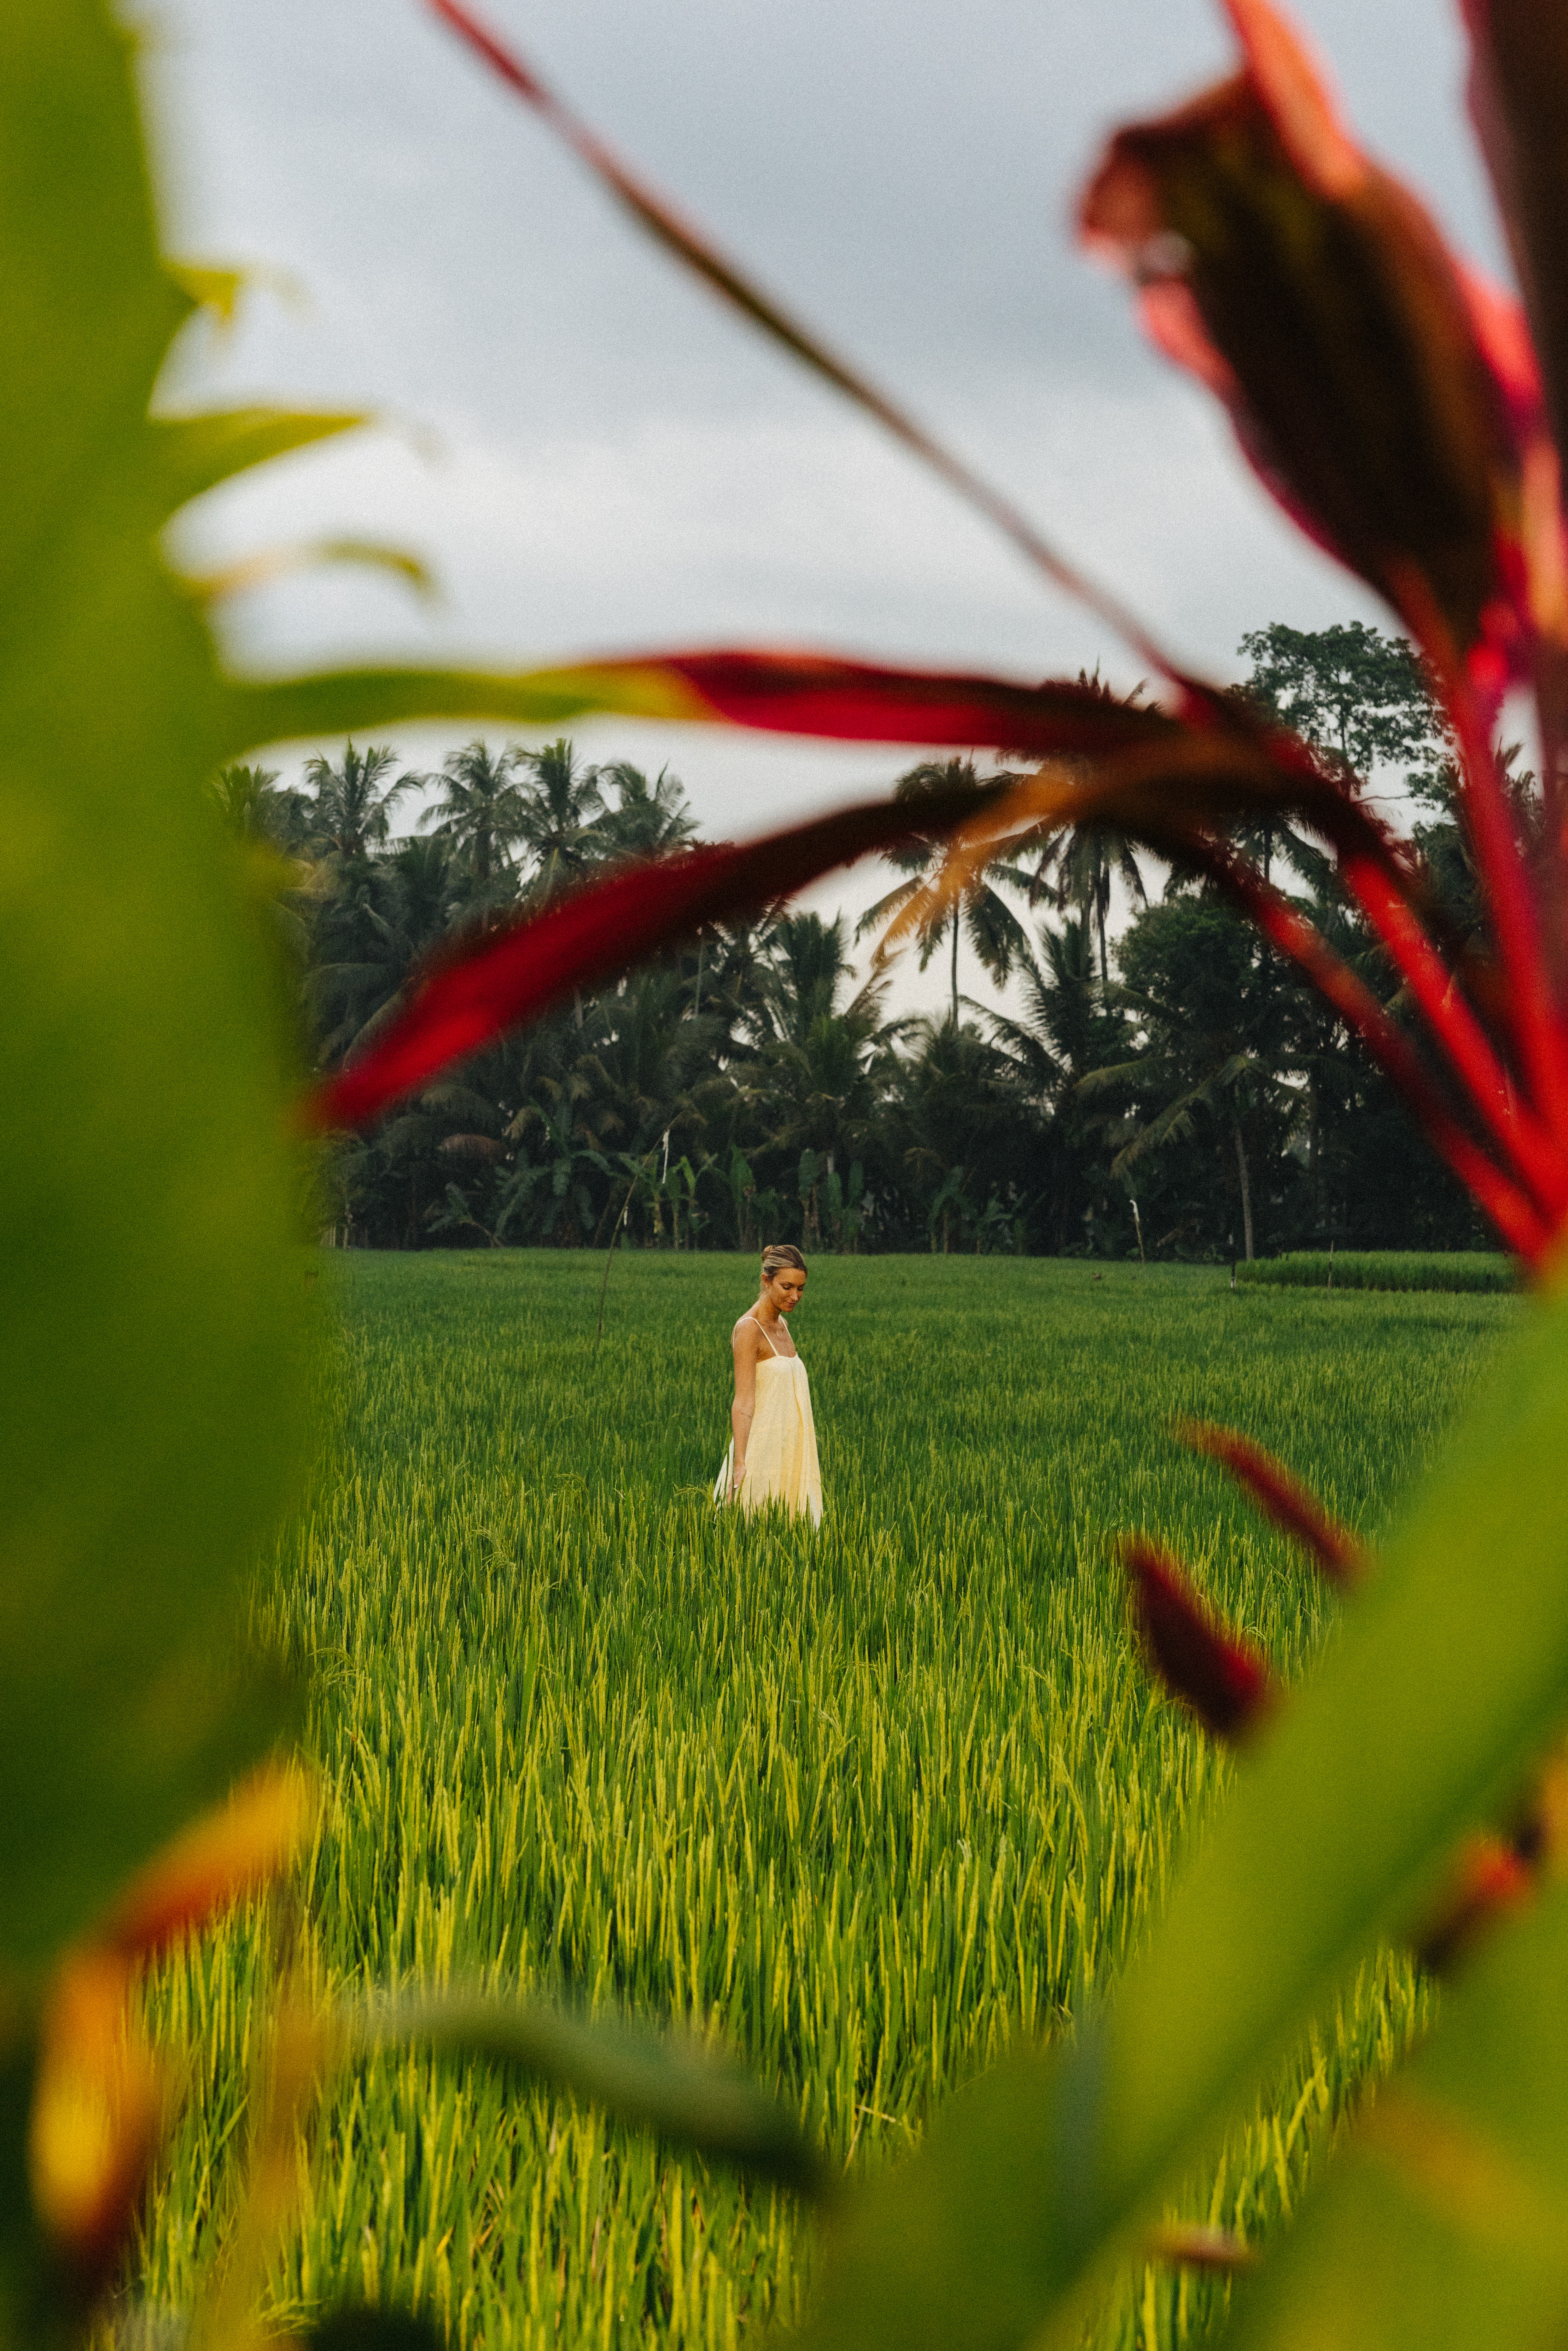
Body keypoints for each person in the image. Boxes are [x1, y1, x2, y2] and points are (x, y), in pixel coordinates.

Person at [713, 1243, 823, 1525]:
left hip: (792, 1447)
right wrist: (740, 1465)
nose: (795, 1296)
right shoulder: (749, 1329)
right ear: (766, 1280)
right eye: (787, 1287)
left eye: (801, 1288)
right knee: (754, 1527)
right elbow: (744, 1401)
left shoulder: (782, 1325)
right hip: (763, 1450)